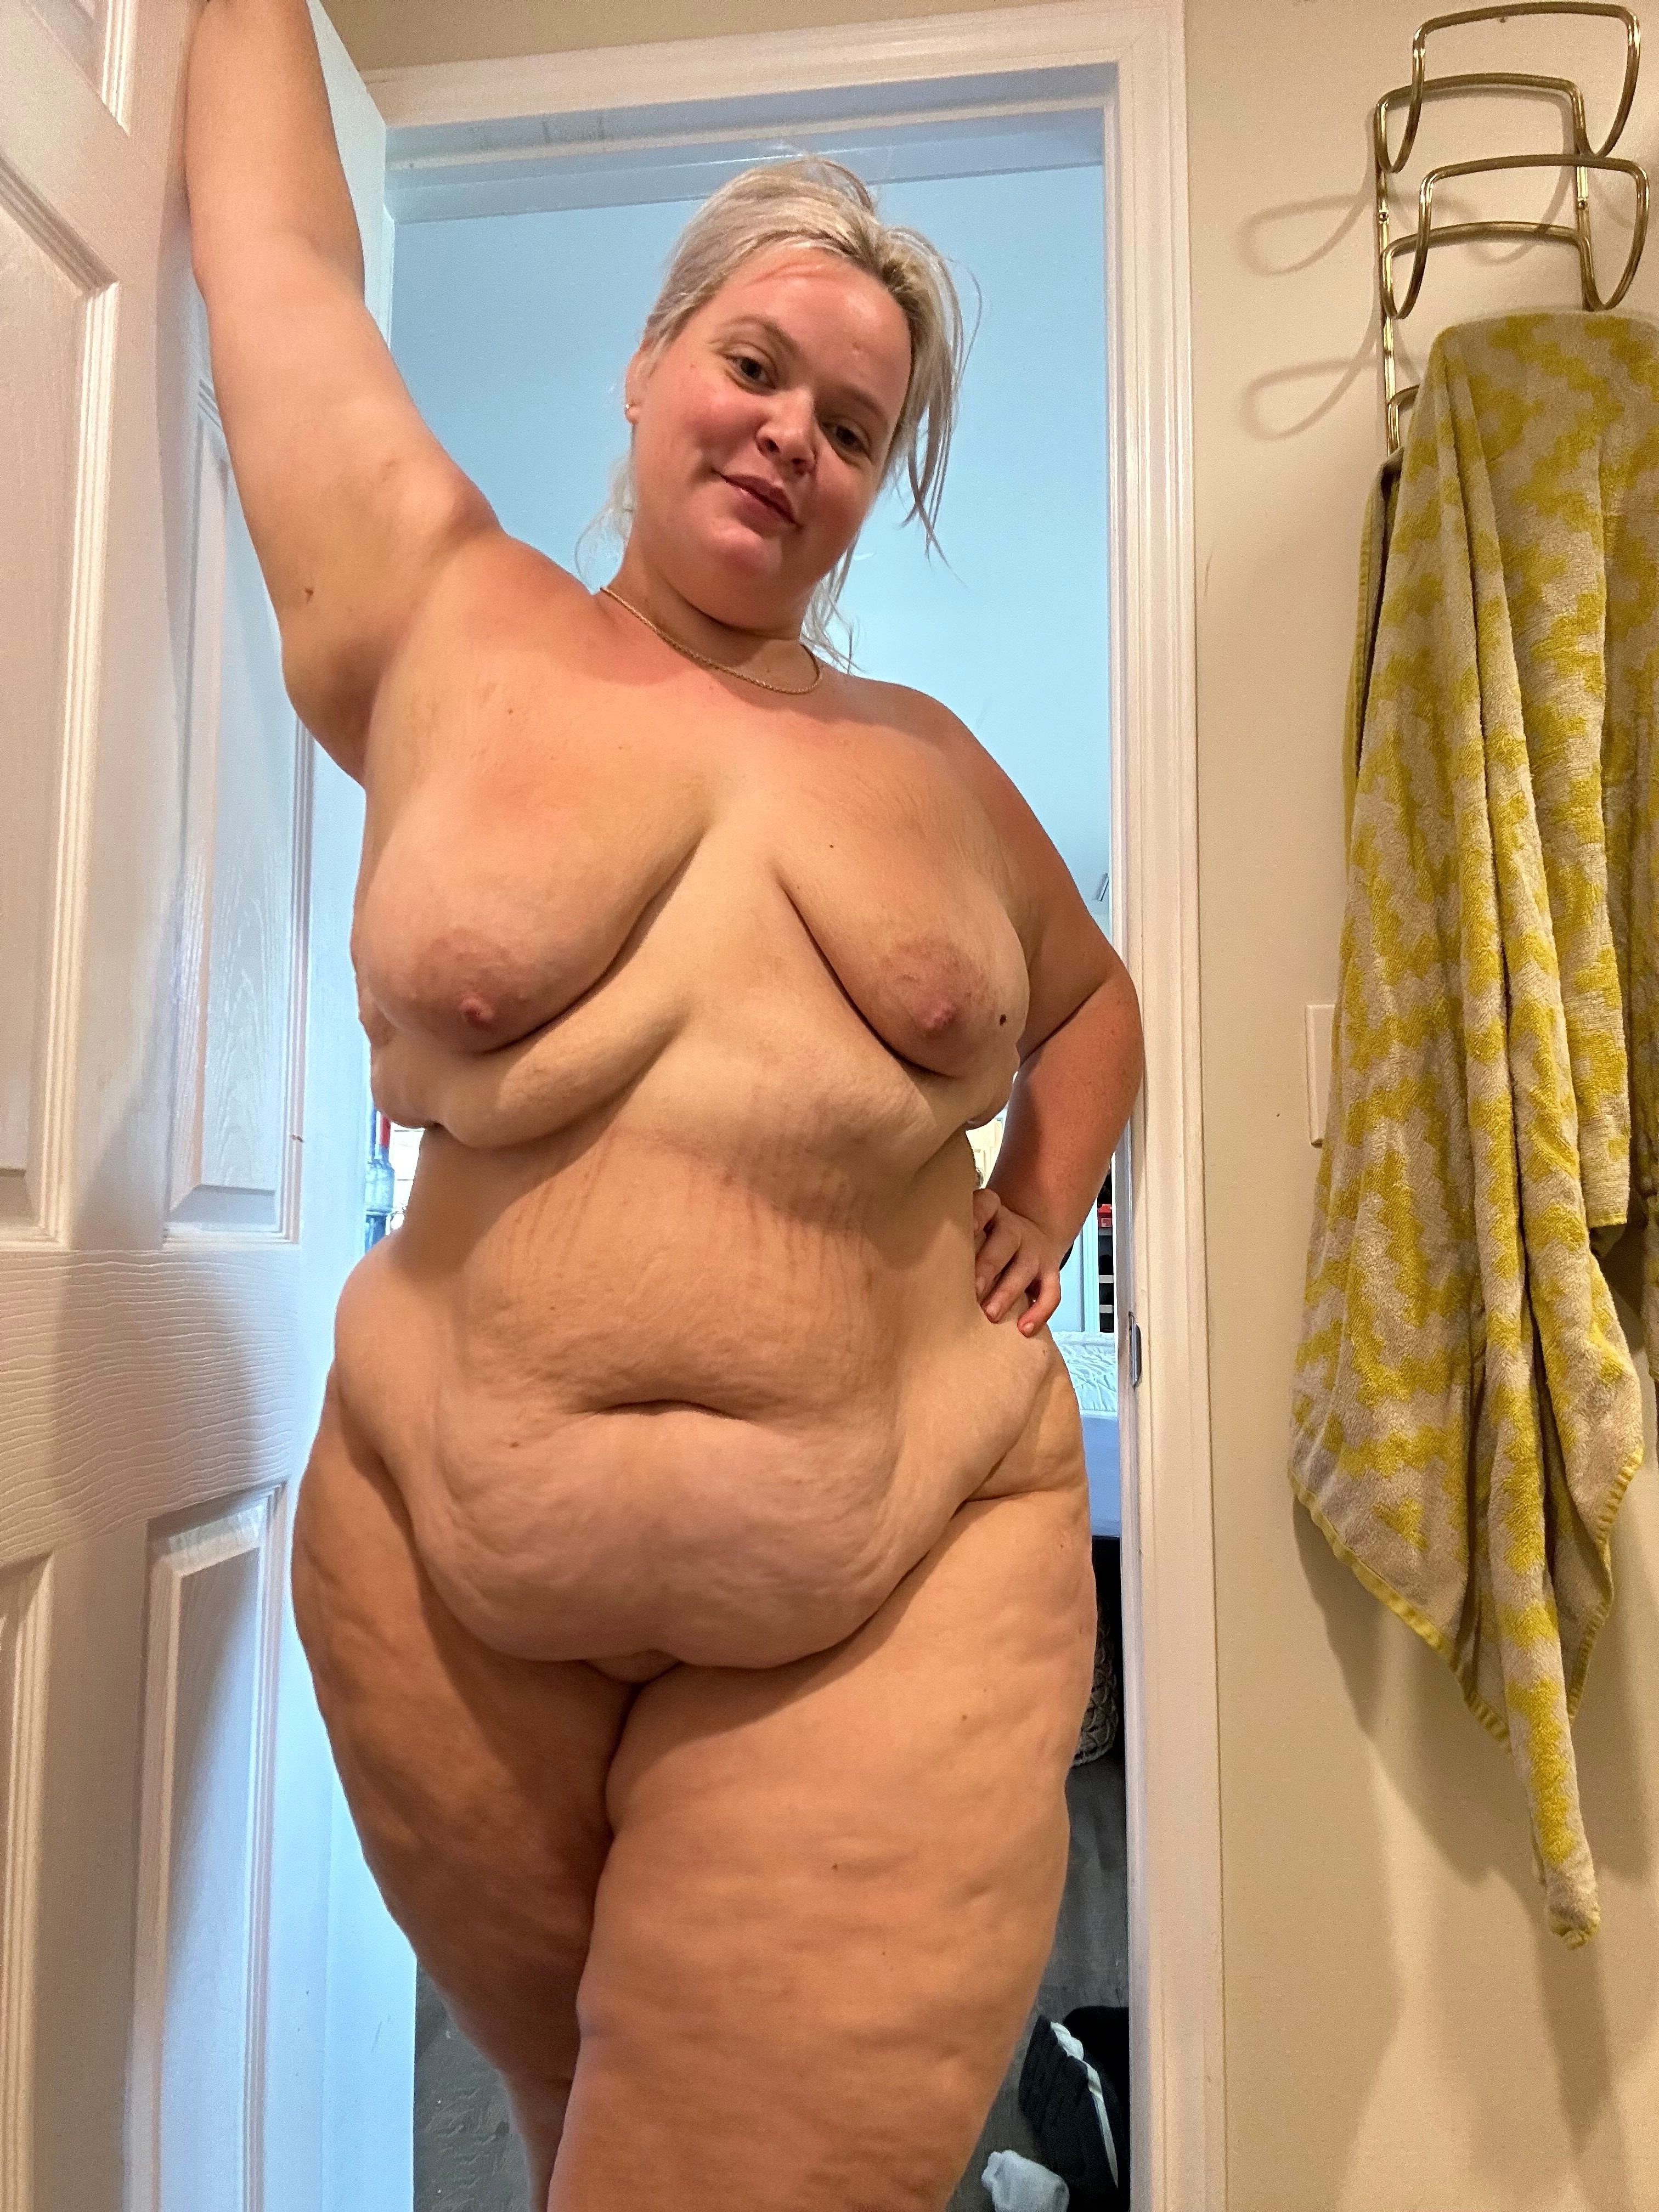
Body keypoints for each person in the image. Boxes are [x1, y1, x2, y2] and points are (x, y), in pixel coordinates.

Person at [185, 5, 1143, 2205]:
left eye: (853, 425)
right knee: (586, 2146)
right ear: (647, 366)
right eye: (755, 364)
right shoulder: (443, 616)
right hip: (441, 1573)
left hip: (898, 1576)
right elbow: (275, 268)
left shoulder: (928, 766)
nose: (792, 434)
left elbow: (1095, 1002)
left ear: (875, 487)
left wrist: (1043, 1189)